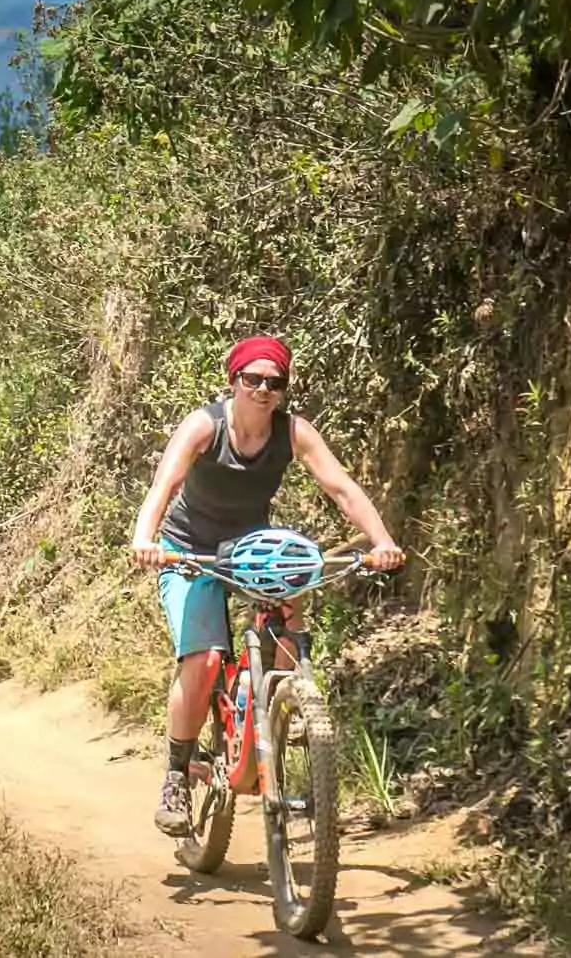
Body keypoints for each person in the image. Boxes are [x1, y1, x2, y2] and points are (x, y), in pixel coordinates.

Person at [130, 334, 406, 837]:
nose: (262, 389)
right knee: (204, 658)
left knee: (296, 583)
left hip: (249, 548)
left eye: (274, 382)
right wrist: (145, 538)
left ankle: (281, 702)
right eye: (251, 379)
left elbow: (341, 487)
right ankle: (175, 775)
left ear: (284, 389)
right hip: (188, 550)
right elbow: (163, 486)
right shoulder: (204, 426)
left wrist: (381, 539)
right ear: (233, 381)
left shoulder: (294, 431)